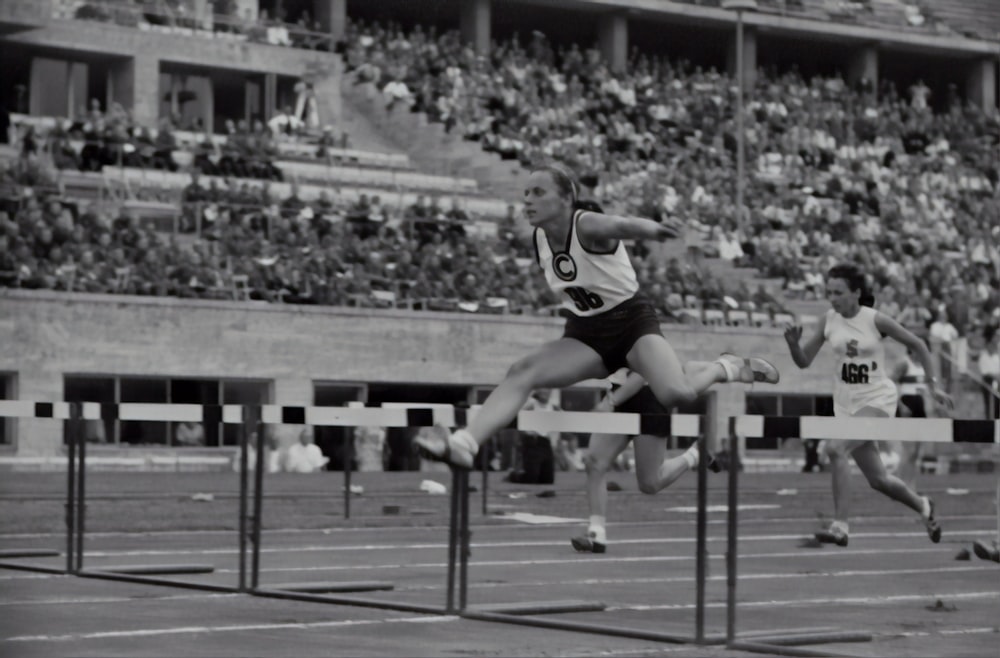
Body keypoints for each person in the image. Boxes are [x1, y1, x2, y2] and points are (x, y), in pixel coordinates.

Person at [416, 165, 779, 470]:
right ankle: (466, 442)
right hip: (586, 333)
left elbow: (620, 225)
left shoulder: (585, 225)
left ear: (565, 198)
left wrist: (655, 228)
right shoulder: (540, 238)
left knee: (677, 392)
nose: (527, 200)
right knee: (522, 372)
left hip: (631, 323)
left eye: (537, 192)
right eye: (525, 192)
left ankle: (724, 367)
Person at [783, 263, 953, 547]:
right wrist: (792, 345)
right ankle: (924, 506)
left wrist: (933, 384)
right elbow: (804, 362)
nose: (832, 298)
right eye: (829, 292)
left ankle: (841, 526)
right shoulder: (828, 320)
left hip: (877, 399)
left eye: (838, 292)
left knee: (834, 449)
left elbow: (920, 345)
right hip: (846, 404)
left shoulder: (875, 320)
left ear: (856, 293)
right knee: (879, 480)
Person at [571, 368, 720, 554]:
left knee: (650, 483)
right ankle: (596, 533)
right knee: (594, 462)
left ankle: (696, 454)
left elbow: (643, 371)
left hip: (647, 398)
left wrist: (610, 401)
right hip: (619, 392)